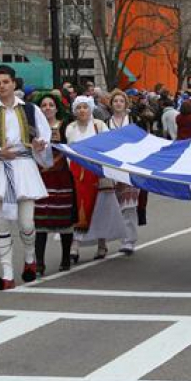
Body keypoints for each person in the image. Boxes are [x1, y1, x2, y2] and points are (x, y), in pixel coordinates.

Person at [0, 66, 52, 291]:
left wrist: (39, 145)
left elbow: (45, 137)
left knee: (27, 223)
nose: (2, 86)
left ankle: (30, 258)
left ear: (14, 84)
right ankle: (7, 273)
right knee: (2, 224)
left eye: (6, 82)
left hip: (25, 168)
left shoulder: (31, 110)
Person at [65, 96, 123, 261]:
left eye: (85, 107)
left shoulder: (99, 125)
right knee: (79, 209)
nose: (82, 110)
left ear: (90, 109)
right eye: (79, 108)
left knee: (100, 210)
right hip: (78, 175)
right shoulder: (70, 128)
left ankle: (101, 244)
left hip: (98, 174)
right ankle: (74, 247)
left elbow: (107, 148)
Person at [32, 91, 76, 274]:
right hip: (40, 176)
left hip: (62, 176)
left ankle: (66, 257)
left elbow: (72, 147)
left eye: (51, 105)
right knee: (40, 220)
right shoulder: (34, 129)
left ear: (57, 108)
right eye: (44, 105)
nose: (47, 108)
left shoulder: (65, 126)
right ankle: (39, 262)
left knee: (64, 219)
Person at [108, 90, 143, 254]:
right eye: (115, 101)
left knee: (130, 205)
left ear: (126, 104)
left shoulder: (133, 121)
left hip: (131, 166)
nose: (118, 104)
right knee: (116, 205)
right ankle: (117, 238)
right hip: (113, 166)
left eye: (121, 101)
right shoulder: (105, 123)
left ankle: (129, 240)